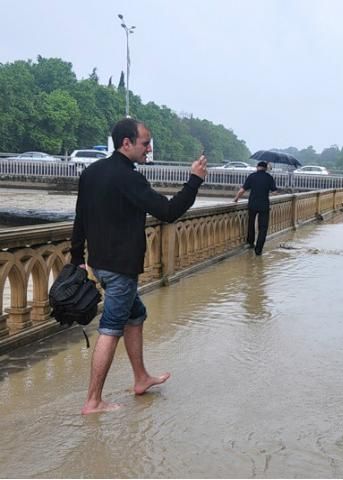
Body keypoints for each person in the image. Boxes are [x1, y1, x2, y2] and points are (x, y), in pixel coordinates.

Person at [71, 118, 208, 415]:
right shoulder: (129, 177)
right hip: (120, 269)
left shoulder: (91, 172)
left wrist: (76, 259)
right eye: (145, 143)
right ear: (126, 143)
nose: (149, 149)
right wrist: (195, 180)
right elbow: (168, 212)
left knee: (136, 315)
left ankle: (141, 378)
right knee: (110, 329)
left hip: (99, 263)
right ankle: (93, 401)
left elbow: (80, 218)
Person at [233, 160, 278, 255]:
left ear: (257, 167)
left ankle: (250, 242)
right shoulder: (269, 177)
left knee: (251, 224)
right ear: (266, 168)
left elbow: (242, 190)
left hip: (252, 205)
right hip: (264, 205)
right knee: (263, 228)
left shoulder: (252, 176)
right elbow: (274, 192)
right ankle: (258, 250)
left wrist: (236, 199)